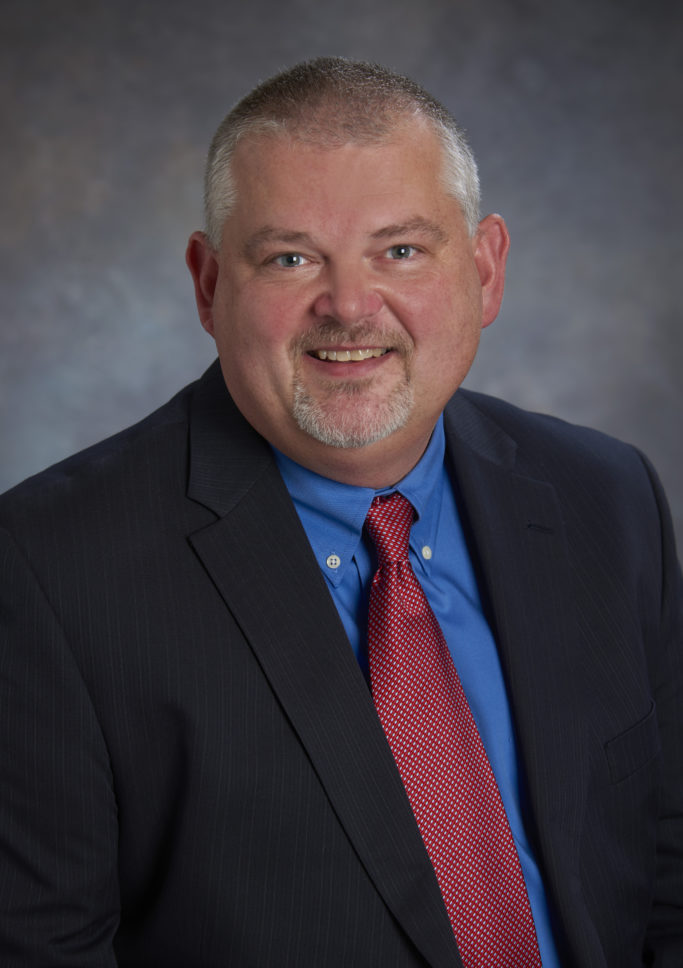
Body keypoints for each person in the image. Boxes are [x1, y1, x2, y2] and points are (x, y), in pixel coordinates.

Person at [0, 57, 681, 968]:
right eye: (290, 258)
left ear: (484, 270)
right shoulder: (48, 571)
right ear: (208, 286)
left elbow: (667, 871)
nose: (350, 307)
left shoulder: (608, 497)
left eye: (400, 250)